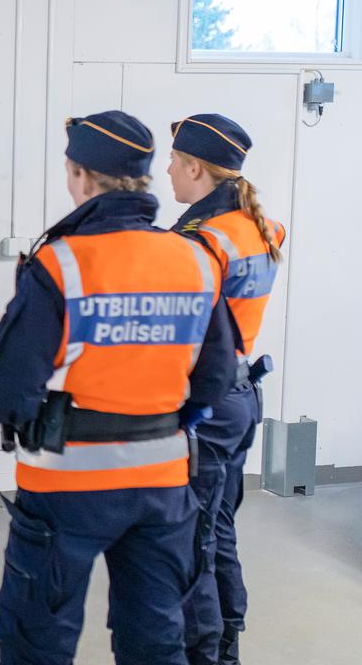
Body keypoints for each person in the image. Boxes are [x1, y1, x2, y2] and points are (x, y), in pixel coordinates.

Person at [0, 110, 238, 664]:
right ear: (144, 177)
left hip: (65, 484)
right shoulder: (195, 258)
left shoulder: (62, 261)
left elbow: (8, 385)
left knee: (39, 639)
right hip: (163, 482)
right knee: (156, 638)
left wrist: (22, 417)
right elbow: (215, 377)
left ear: (79, 175)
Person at [168, 114, 285, 665]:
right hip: (240, 401)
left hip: (205, 408)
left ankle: (208, 653)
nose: (167, 170)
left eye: (173, 160)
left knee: (194, 541)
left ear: (195, 167)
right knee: (216, 529)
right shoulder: (260, 226)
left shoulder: (202, 241)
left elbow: (176, 332)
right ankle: (228, 637)